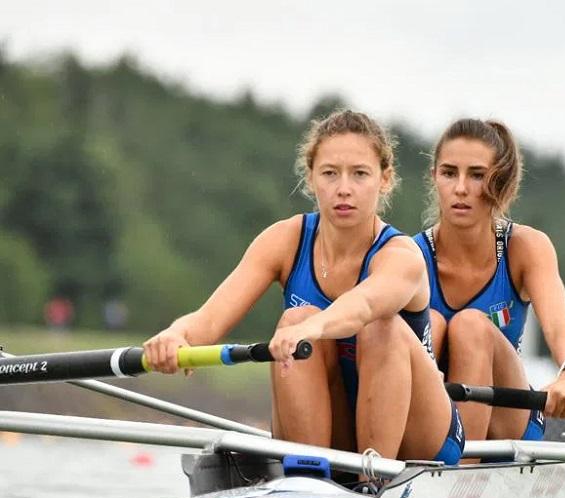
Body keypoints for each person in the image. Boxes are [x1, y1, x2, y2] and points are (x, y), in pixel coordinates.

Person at [143, 109, 465, 475]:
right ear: (311, 179)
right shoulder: (285, 240)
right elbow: (209, 319)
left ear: (385, 180)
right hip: (340, 424)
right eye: (330, 173)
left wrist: (312, 328)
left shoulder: (401, 256)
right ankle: (308, 483)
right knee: (297, 318)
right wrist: (176, 336)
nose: (343, 188)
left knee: (376, 326)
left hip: (420, 434)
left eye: (359, 174)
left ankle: (373, 482)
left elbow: (362, 306)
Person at [414, 118, 565, 444]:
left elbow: (558, 323)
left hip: (507, 421)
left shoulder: (525, 248)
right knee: (432, 324)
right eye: (449, 173)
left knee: (470, 326)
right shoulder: (409, 256)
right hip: (432, 420)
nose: (461, 188)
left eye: (477, 175)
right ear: (434, 177)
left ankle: (461, 476)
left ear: (500, 182)